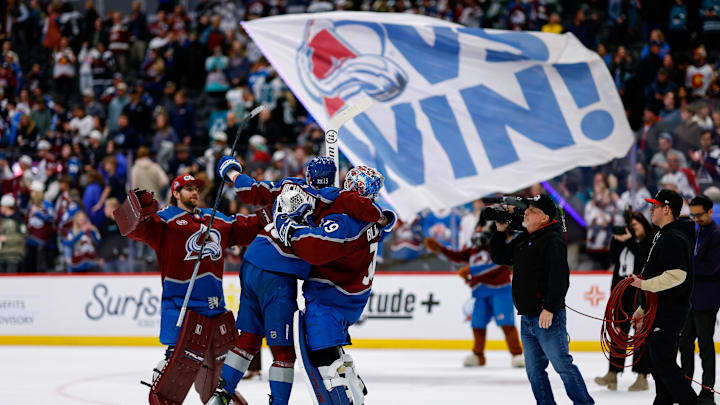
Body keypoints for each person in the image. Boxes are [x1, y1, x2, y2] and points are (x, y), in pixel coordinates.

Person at [207, 157, 384, 405]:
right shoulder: (336, 201)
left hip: (253, 258)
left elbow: (252, 191)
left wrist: (232, 171)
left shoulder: (290, 185)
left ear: (308, 174)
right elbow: (363, 211)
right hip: (279, 272)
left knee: (248, 337)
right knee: (283, 350)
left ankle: (221, 394)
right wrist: (382, 216)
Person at [122, 173, 263, 403]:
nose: (194, 192)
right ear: (175, 194)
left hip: (216, 311)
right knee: (170, 386)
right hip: (183, 311)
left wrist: (273, 216)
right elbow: (134, 228)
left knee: (219, 387)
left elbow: (246, 227)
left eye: (195, 188)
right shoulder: (165, 221)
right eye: (187, 188)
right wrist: (140, 206)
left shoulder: (214, 218)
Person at [276, 165, 395, 405]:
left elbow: (318, 248)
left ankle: (342, 392)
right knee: (333, 353)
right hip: (353, 296)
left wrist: (290, 227)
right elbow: (384, 220)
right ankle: (348, 375)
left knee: (323, 359)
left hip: (331, 296)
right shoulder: (374, 217)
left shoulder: (347, 220)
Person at [490, 194, 594, 405]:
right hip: (527, 317)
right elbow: (500, 257)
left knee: (562, 365)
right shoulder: (525, 238)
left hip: (546, 316)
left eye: (532, 210)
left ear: (545, 217)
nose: (526, 212)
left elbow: (560, 279)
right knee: (534, 371)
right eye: (527, 209)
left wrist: (549, 308)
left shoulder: (552, 242)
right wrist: (500, 231)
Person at [630, 189, 698, 405]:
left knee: (664, 365)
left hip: (668, 313)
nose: (651, 210)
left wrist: (643, 285)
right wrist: (642, 308)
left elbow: (676, 275)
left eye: (655, 206)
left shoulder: (673, 238)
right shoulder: (664, 235)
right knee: (660, 367)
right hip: (658, 311)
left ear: (667, 209)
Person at [425, 224, 524, 368]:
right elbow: (457, 256)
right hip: (480, 292)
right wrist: (440, 248)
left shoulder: (497, 248)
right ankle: (478, 355)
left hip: (500, 290)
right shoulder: (473, 250)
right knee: (477, 325)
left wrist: (471, 270)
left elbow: (496, 265)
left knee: (506, 325)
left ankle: (517, 354)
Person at [595, 211, 655, 391]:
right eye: (630, 225)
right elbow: (612, 259)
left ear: (644, 225)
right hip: (621, 294)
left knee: (640, 336)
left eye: (635, 225)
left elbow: (645, 260)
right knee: (618, 335)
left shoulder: (649, 243)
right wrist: (616, 240)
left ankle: (642, 376)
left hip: (639, 295)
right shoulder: (624, 243)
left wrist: (630, 241)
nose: (631, 229)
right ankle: (613, 373)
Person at [679, 194, 720, 405]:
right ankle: (685, 389)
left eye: (699, 215)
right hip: (689, 300)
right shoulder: (696, 232)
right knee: (685, 345)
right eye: (693, 215)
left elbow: (712, 268)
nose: (695, 219)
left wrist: (687, 267)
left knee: (705, 347)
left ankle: (707, 392)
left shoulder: (716, 235)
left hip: (706, 300)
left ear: (711, 212)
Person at [0, 194, 26, 273]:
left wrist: (6, 238)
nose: (0, 208)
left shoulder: (18, 219)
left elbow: (22, 237)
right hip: (2, 255)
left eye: (1, 206)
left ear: (7, 206)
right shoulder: (2, 219)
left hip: (13, 255)